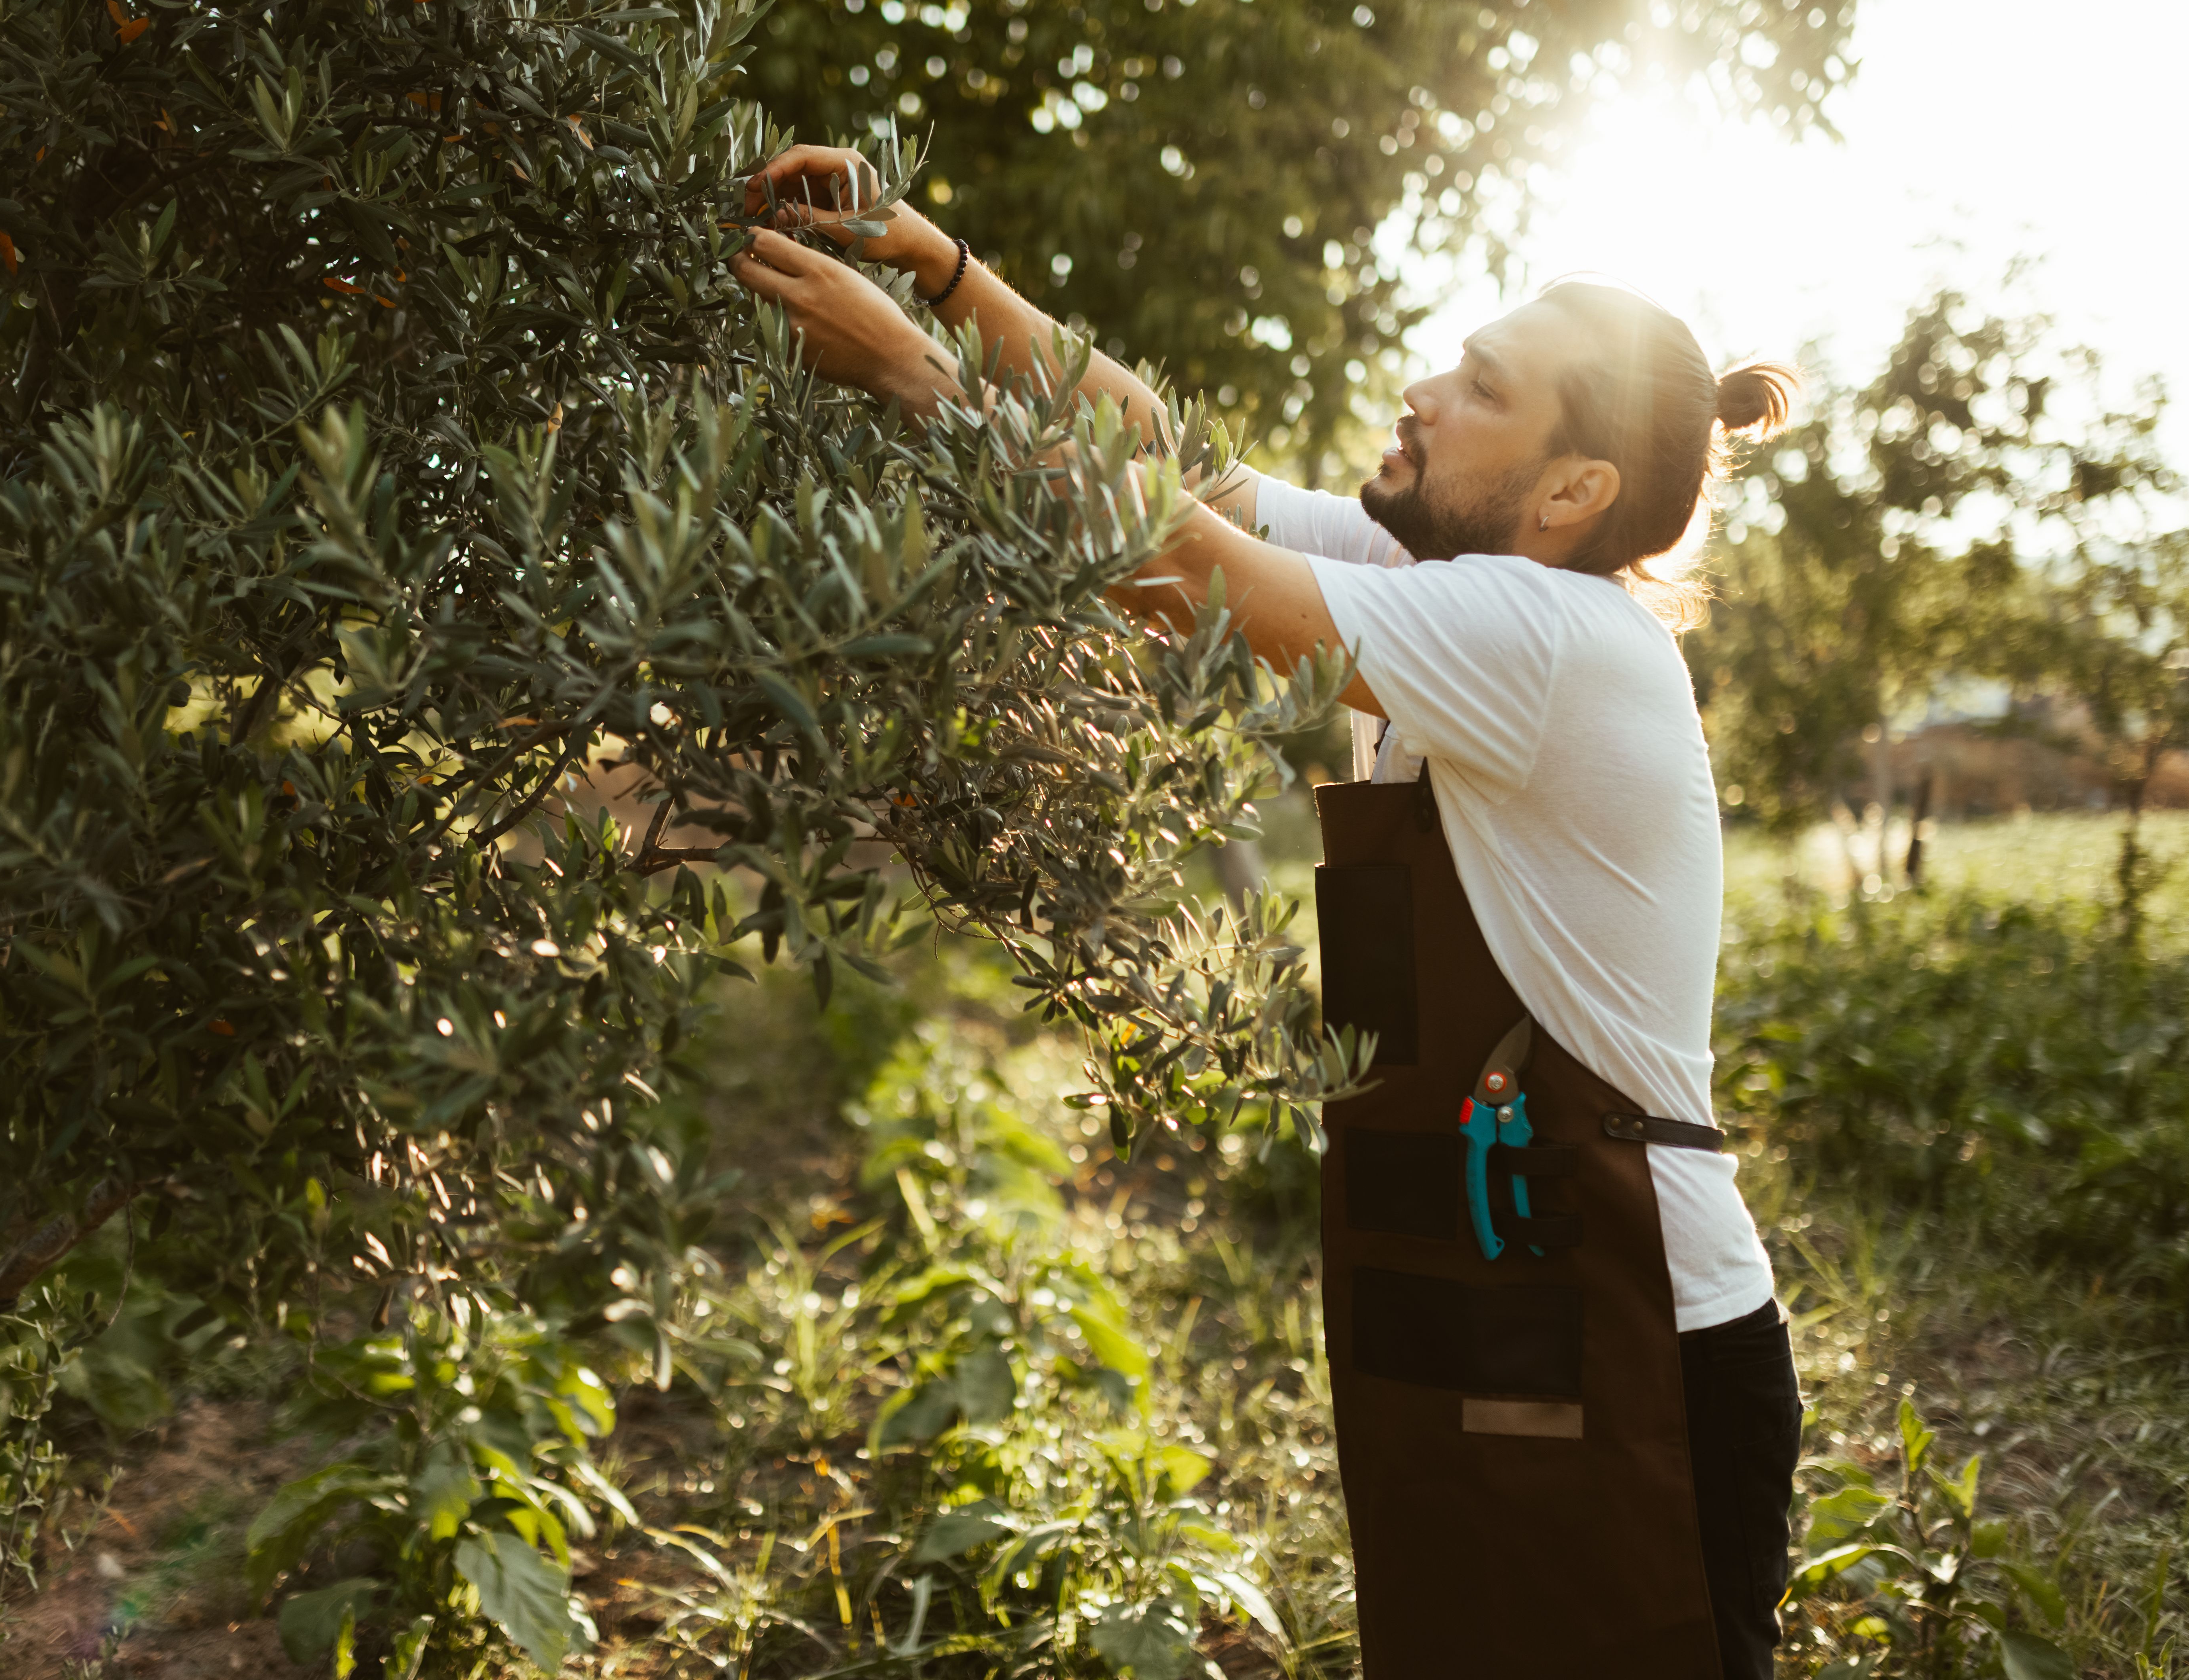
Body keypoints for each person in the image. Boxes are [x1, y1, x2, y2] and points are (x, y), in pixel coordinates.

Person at [732, 146, 1804, 1680]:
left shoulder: (1550, 638)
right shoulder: (1448, 581)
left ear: (1575, 492)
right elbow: (1176, 468)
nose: (1424, 392)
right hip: (1496, 1288)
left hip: (1642, 1332)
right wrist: (942, 267)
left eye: (1483, 388)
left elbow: (1178, 567)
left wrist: (917, 376)